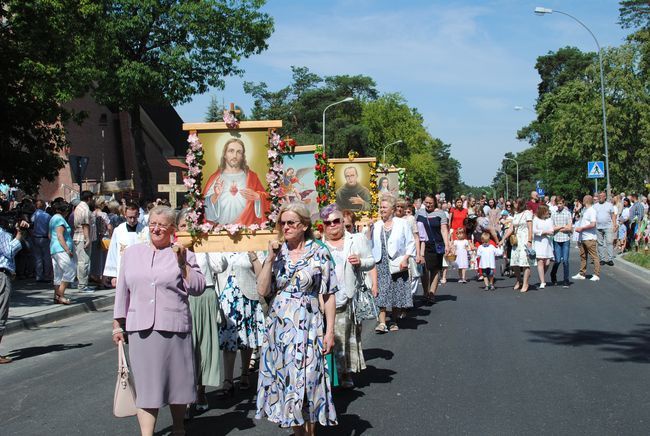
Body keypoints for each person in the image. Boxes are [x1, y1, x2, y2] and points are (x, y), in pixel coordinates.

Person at [112, 205, 206, 436]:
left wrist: (183, 263)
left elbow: (198, 287)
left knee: (177, 382)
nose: (156, 229)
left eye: (162, 225)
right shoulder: (132, 254)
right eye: (153, 223)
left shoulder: (183, 253)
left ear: (172, 229)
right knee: (146, 385)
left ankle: (178, 427)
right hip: (140, 329)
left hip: (173, 326)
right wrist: (117, 323)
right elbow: (122, 290)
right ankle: (147, 433)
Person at [256, 203, 338, 435]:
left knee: (310, 380)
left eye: (291, 223)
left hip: (309, 324)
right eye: (282, 223)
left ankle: (310, 431)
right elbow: (262, 291)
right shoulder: (276, 252)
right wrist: (270, 260)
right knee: (287, 381)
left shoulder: (319, 252)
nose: (286, 227)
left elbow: (329, 294)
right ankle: (298, 432)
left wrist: (330, 331)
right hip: (279, 327)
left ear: (304, 225)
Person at [321, 204, 374, 388]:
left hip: (347, 295)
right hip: (325, 298)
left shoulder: (356, 239)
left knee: (343, 337)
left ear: (343, 222)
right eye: (328, 223)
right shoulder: (319, 244)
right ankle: (329, 375)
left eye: (336, 221)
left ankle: (345, 373)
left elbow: (371, 261)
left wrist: (360, 262)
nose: (333, 225)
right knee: (329, 336)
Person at [175, 210, 223, 415]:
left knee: (203, 346)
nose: (187, 230)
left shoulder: (203, 245)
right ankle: (185, 397)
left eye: (191, 226)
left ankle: (201, 390)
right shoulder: (172, 248)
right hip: (182, 299)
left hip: (205, 297)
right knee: (185, 348)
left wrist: (205, 244)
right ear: (177, 229)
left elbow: (220, 266)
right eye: (184, 226)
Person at [215, 249, 266, 397]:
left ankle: (244, 373)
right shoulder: (221, 246)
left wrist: (254, 257)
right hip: (227, 296)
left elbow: (262, 274)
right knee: (229, 339)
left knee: (246, 338)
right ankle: (228, 380)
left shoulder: (253, 245)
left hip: (247, 296)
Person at [371, 196, 415, 332]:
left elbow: (410, 242)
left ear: (392, 209)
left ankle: (394, 321)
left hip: (397, 263)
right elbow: (369, 244)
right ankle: (382, 323)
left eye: (384, 207)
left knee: (396, 291)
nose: (381, 210)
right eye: (380, 207)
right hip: (381, 262)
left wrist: (406, 258)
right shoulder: (377, 225)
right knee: (381, 292)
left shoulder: (402, 223)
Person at [202, 138, 268, 225]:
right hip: (220, 230)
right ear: (225, 154)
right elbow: (203, 207)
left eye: (239, 152)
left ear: (242, 156)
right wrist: (215, 195)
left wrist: (258, 197)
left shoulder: (251, 177)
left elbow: (267, 199)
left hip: (247, 229)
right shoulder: (216, 178)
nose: (235, 155)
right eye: (231, 151)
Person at [0, 216, 28, 363]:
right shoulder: (2, 233)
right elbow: (9, 251)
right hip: (1, 275)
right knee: (1, 314)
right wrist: (19, 234)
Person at [103, 202, 149, 287]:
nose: (132, 220)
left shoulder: (146, 231)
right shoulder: (119, 231)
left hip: (141, 271)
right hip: (123, 270)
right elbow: (113, 253)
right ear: (125, 215)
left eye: (134, 217)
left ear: (138, 215)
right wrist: (113, 275)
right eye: (129, 217)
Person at [416, 194, 450, 303]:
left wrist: (447, 244)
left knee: (435, 269)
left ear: (435, 202)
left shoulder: (440, 213)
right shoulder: (419, 213)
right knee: (424, 268)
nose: (428, 205)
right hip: (423, 244)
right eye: (426, 202)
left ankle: (431, 293)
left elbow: (444, 230)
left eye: (430, 203)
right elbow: (415, 228)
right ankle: (425, 292)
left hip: (437, 244)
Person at [499, 198, 534, 293]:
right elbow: (511, 228)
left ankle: (526, 283)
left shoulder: (527, 213)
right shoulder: (515, 214)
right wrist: (503, 239)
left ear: (520, 203)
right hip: (516, 241)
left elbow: (530, 228)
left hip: (525, 239)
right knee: (514, 262)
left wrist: (530, 240)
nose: (514, 204)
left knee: (525, 262)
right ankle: (519, 280)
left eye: (515, 203)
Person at [49, 201, 76, 305]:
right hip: (61, 249)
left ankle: (56, 296)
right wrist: (67, 250)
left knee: (58, 274)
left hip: (54, 249)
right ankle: (60, 295)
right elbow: (60, 236)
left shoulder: (52, 219)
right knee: (70, 269)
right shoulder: (60, 219)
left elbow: (50, 235)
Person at [395, 198, 422, 295]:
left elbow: (416, 237)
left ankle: (410, 297)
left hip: (411, 252)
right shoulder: (392, 220)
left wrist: (418, 254)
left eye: (402, 207)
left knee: (413, 275)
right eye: (397, 207)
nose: (400, 209)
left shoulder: (410, 219)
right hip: (398, 253)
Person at [572, 195, 600, 281]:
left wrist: (582, 228)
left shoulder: (592, 211)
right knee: (583, 255)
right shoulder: (585, 210)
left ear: (586, 200)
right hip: (583, 237)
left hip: (590, 237)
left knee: (594, 256)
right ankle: (582, 273)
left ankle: (596, 274)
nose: (582, 200)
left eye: (583, 199)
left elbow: (593, 224)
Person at [73, 190, 96, 292]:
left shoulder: (78, 207)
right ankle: (82, 285)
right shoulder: (85, 209)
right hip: (82, 237)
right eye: (92, 199)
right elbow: (85, 224)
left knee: (80, 262)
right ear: (89, 198)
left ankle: (82, 283)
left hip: (78, 236)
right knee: (84, 262)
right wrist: (87, 239)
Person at [550, 196, 573, 288]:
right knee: (558, 260)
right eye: (558, 203)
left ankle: (566, 279)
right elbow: (552, 228)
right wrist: (562, 227)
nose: (559, 205)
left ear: (563, 204)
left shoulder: (567, 213)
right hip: (556, 239)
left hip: (565, 239)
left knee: (566, 261)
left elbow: (569, 227)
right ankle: (553, 273)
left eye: (561, 203)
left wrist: (560, 227)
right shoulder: (553, 214)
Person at [532, 204, 554, 289]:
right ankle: (542, 281)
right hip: (538, 242)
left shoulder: (549, 220)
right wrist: (544, 232)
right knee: (540, 261)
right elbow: (534, 230)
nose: (548, 213)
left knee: (547, 262)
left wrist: (547, 232)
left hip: (547, 242)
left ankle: (542, 276)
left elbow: (551, 230)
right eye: (546, 211)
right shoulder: (536, 219)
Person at [31, 200, 53, 283]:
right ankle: (47, 275)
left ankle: (39, 276)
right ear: (44, 206)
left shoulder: (35, 215)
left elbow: (31, 223)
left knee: (38, 258)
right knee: (46, 257)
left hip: (36, 237)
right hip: (45, 238)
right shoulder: (47, 216)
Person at [593, 191, 616, 266]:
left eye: (601, 196)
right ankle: (602, 259)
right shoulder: (595, 206)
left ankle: (610, 259)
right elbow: (593, 216)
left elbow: (613, 215)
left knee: (609, 242)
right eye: (599, 196)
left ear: (605, 197)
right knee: (600, 243)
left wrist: (614, 224)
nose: (600, 197)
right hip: (598, 227)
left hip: (608, 226)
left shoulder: (609, 205)